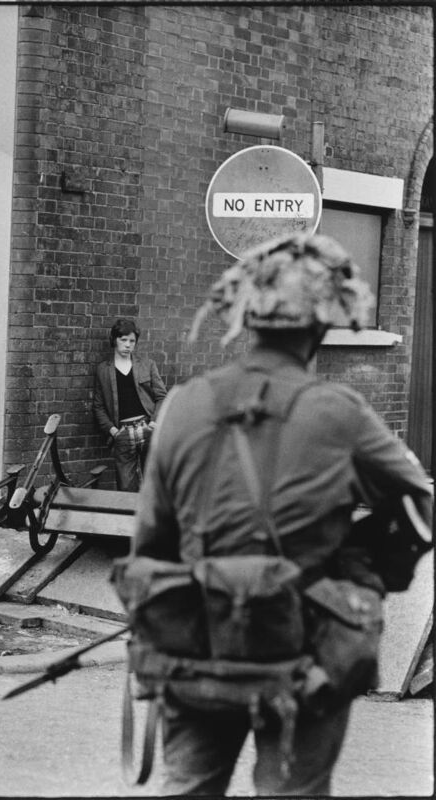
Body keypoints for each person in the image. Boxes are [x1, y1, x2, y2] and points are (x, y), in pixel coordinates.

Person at [131, 233, 433, 795]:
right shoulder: (340, 413)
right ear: (323, 326)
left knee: (189, 786)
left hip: (198, 641)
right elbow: (419, 501)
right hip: (306, 648)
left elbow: (150, 538)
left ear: (248, 318)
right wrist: (367, 568)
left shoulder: (183, 404)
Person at [93, 318, 167, 492]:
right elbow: (98, 406)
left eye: (132, 341)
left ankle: (152, 519)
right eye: (123, 340)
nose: (128, 345)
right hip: (123, 434)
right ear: (114, 340)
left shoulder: (147, 365)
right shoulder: (103, 370)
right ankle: (129, 520)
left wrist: (154, 423)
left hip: (147, 428)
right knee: (126, 489)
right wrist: (113, 431)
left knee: (154, 486)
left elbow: (162, 397)